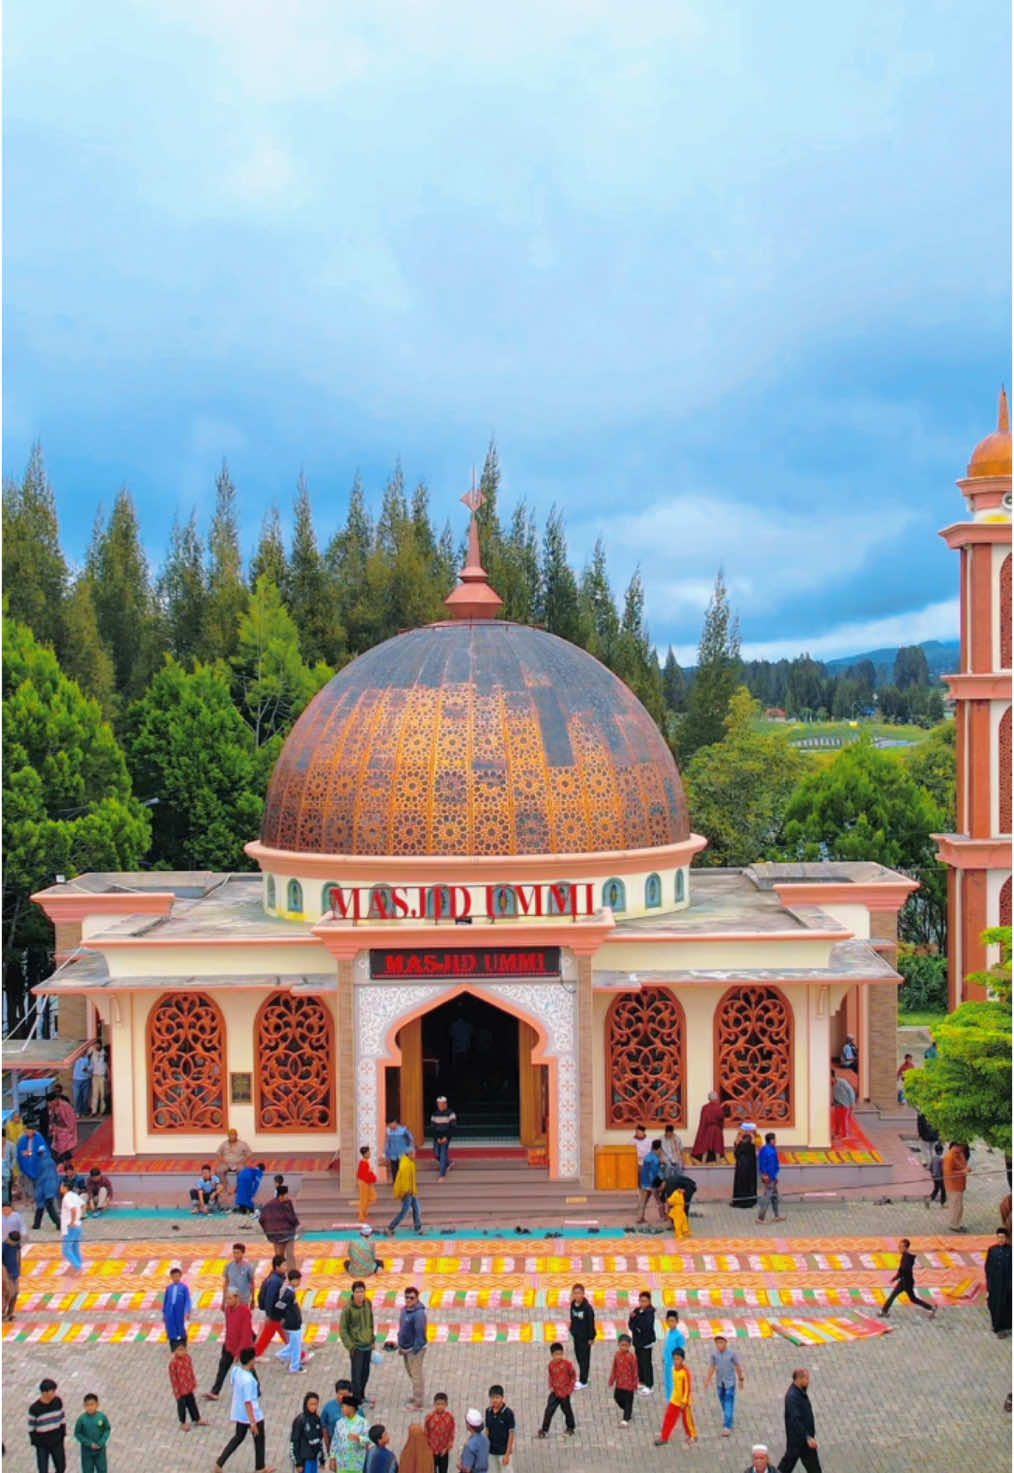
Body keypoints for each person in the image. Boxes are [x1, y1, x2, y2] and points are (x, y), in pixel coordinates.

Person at [215, 1346, 275, 1472]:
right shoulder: (249, 1380)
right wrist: (252, 1422)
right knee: (259, 1440)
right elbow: (248, 1402)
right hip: (253, 1414)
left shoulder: (236, 1371)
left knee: (238, 1437)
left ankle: (220, 1463)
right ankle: (260, 1467)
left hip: (239, 1413)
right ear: (251, 1360)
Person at [207, 1287, 256, 1399]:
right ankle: (215, 1391)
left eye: (229, 1298)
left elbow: (246, 1333)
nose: (227, 1301)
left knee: (249, 1369)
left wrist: (239, 1352)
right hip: (229, 1345)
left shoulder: (245, 1311)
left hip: (243, 1347)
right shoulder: (228, 1310)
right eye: (226, 1299)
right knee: (222, 1367)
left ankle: (256, 1389)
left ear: (237, 1297)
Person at [879, 1237, 936, 1320]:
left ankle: (884, 1311)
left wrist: (895, 1277)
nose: (899, 1248)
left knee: (904, 1297)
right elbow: (902, 1270)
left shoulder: (906, 1258)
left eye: (901, 1247)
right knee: (910, 1298)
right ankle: (931, 1308)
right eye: (899, 1246)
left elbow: (903, 1270)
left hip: (906, 1282)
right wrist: (897, 1277)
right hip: (905, 1281)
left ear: (906, 1248)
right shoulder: (907, 1256)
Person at [340, 1280, 376, 1409]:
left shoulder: (368, 1304)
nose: (360, 1294)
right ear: (353, 1293)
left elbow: (371, 1322)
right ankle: (356, 1401)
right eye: (357, 1292)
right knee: (356, 1375)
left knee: (365, 1373)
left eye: (362, 1291)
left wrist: (372, 1340)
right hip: (357, 1348)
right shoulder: (348, 1309)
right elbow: (343, 1330)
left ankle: (362, 1396)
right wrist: (350, 1346)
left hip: (367, 1345)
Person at [777, 1368, 822, 1473]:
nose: (808, 1381)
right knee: (787, 1465)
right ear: (799, 1379)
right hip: (798, 1440)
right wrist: (807, 1438)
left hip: (802, 1440)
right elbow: (795, 1420)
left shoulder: (800, 1392)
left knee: (812, 1467)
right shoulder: (792, 1397)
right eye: (806, 1378)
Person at [652, 1347, 697, 1447]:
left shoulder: (685, 1372)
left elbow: (687, 1388)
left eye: (678, 1359)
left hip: (684, 1401)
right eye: (675, 1359)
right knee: (669, 1417)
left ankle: (692, 1435)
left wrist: (684, 1401)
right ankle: (664, 1437)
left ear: (682, 1359)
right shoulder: (673, 1369)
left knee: (687, 1420)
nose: (676, 1361)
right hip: (675, 1398)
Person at [703, 1333, 744, 1437]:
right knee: (723, 1402)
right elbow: (712, 1367)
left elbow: (737, 1366)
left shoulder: (731, 1354)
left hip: (730, 1383)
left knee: (728, 1403)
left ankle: (727, 1426)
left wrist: (740, 1379)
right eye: (717, 1343)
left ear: (726, 1343)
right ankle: (728, 1418)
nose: (719, 1345)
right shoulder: (714, 1355)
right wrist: (708, 1379)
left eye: (721, 1342)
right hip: (720, 1383)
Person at [537, 1341, 577, 1438]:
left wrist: (570, 1388)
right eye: (556, 1355)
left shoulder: (567, 1364)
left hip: (564, 1393)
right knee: (549, 1411)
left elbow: (573, 1376)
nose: (558, 1356)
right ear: (552, 1355)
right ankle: (544, 1430)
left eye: (560, 1354)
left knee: (567, 1410)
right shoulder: (551, 1365)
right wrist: (551, 1386)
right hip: (555, 1392)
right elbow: (551, 1376)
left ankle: (570, 1427)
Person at [397, 1285, 428, 1410]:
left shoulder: (419, 1314)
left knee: (416, 1374)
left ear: (417, 1299)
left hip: (415, 1349)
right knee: (410, 1372)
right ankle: (416, 1395)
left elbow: (420, 1334)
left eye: (412, 1298)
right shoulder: (404, 1310)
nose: (409, 1300)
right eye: (407, 1298)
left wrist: (414, 1350)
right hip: (405, 1348)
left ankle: (418, 1402)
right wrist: (400, 1344)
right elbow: (402, 1329)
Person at [254, 1254, 290, 1357]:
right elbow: (269, 1299)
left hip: (275, 1314)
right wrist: (268, 1315)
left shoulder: (277, 1278)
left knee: (267, 1335)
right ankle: (300, 1355)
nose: (286, 1267)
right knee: (287, 1335)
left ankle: (256, 1354)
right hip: (275, 1314)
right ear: (277, 1267)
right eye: (284, 1265)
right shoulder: (275, 1281)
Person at [29, 1377, 67, 1473]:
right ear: (44, 1393)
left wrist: (61, 1435)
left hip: (56, 1441)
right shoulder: (35, 1408)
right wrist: (37, 1442)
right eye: (52, 1391)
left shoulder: (57, 1402)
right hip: (42, 1443)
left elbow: (62, 1419)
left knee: (61, 1466)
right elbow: (31, 1428)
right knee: (43, 1469)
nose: (54, 1393)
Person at [259, 1182, 300, 1269]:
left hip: (288, 1233)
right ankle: (277, 1272)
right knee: (279, 1256)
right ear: (281, 1196)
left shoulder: (288, 1202)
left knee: (290, 1254)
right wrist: (270, 1231)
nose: (287, 1197)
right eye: (286, 1195)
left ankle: (292, 1273)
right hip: (276, 1235)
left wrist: (294, 1225)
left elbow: (292, 1216)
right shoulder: (270, 1205)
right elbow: (263, 1219)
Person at [168, 1341, 207, 1431]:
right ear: (174, 1351)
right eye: (179, 1350)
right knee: (181, 1406)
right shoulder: (173, 1363)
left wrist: (193, 1382)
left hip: (188, 1387)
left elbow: (191, 1371)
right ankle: (183, 1422)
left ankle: (196, 1418)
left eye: (183, 1349)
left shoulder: (188, 1358)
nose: (182, 1352)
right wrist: (177, 1391)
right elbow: (173, 1379)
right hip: (180, 1389)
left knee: (192, 1403)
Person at [275, 1268, 306, 1373]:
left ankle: (281, 1355)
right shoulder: (289, 1294)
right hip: (293, 1324)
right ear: (292, 1281)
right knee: (296, 1347)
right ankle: (294, 1367)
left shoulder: (291, 1292)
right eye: (297, 1280)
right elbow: (279, 1306)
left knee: (294, 1344)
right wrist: (285, 1316)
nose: (298, 1283)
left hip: (293, 1323)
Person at [627, 1288, 657, 1393]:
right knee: (639, 1362)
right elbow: (631, 1322)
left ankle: (649, 1385)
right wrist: (634, 1326)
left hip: (646, 1342)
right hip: (637, 1341)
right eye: (641, 1301)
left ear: (649, 1302)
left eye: (645, 1301)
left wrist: (637, 1327)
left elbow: (646, 1326)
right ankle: (642, 1381)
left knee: (646, 1363)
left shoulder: (650, 1313)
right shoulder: (636, 1311)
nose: (642, 1303)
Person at [568, 1282, 597, 1389]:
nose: (577, 1295)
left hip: (585, 1338)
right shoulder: (573, 1305)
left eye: (579, 1293)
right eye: (575, 1293)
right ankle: (583, 1375)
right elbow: (572, 1318)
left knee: (585, 1359)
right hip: (576, 1336)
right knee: (579, 1357)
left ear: (583, 1294)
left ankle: (583, 1380)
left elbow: (591, 1323)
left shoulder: (587, 1309)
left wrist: (591, 1337)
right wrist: (572, 1330)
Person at [330, 1394, 369, 1473]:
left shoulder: (363, 1423)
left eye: (343, 1407)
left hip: (358, 1466)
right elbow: (335, 1442)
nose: (342, 1409)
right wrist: (332, 1458)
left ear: (351, 1408)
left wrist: (359, 1438)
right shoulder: (339, 1423)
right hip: (342, 1465)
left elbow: (369, 1440)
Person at [73, 1393, 111, 1473]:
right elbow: (77, 1433)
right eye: (87, 1405)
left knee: (102, 1469)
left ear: (97, 1405)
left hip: (100, 1450)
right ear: (84, 1406)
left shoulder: (102, 1417)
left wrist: (101, 1442)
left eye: (92, 1404)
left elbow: (107, 1430)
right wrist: (89, 1443)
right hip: (87, 1451)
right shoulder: (81, 1419)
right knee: (87, 1470)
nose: (90, 1407)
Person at [985, 1226, 1012, 1337]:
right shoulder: (992, 1250)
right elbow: (988, 1267)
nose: (1001, 1239)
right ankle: (997, 1325)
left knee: (1006, 1305)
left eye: (1003, 1237)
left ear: (1006, 1238)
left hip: (1007, 1284)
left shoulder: (1011, 1251)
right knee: (994, 1304)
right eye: (999, 1237)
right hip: (995, 1284)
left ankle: (1005, 1327)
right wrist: (989, 1282)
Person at [608, 1332, 639, 1427]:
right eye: (622, 1345)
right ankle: (627, 1410)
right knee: (617, 1398)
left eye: (626, 1345)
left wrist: (635, 1383)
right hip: (620, 1383)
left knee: (629, 1401)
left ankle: (625, 1419)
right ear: (618, 1345)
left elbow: (635, 1370)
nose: (623, 1347)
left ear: (629, 1346)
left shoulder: (632, 1357)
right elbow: (614, 1367)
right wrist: (612, 1379)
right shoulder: (617, 1355)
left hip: (629, 1385)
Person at [389, 1150, 422, 1235]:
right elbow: (403, 1180)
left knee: (417, 1209)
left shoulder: (410, 1163)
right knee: (404, 1212)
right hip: (407, 1192)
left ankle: (418, 1229)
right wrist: (405, 1191)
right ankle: (391, 1227)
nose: (415, 1155)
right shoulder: (405, 1165)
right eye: (414, 1153)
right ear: (409, 1154)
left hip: (411, 1191)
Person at [290, 1392, 324, 1473]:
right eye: (311, 1404)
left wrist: (321, 1459)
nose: (314, 1407)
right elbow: (294, 1442)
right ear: (306, 1404)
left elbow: (319, 1441)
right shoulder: (299, 1421)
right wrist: (298, 1463)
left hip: (314, 1459)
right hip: (304, 1461)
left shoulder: (317, 1419)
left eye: (316, 1404)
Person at [484, 1385, 515, 1471]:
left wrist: (507, 1454)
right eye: (492, 1398)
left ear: (502, 1398)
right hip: (491, 1452)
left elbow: (511, 1434)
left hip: (503, 1452)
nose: (495, 1400)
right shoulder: (488, 1411)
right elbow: (487, 1430)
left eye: (497, 1397)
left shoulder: (508, 1413)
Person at [216, 1128, 253, 1203]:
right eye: (230, 1135)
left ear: (236, 1136)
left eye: (233, 1135)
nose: (232, 1137)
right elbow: (218, 1153)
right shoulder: (224, 1143)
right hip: (227, 1163)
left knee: (242, 1171)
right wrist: (223, 1161)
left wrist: (243, 1161)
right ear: (228, 1136)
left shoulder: (242, 1144)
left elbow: (249, 1153)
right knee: (219, 1171)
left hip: (238, 1163)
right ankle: (226, 1187)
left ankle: (238, 1188)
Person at [757, 1132, 785, 1224]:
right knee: (767, 1197)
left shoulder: (763, 1149)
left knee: (775, 1196)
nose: (775, 1141)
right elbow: (769, 1165)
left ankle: (777, 1215)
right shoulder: (771, 1151)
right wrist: (768, 1176)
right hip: (769, 1177)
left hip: (770, 1176)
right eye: (774, 1139)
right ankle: (761, 1218)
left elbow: (761, 1163)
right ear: (771, 1140)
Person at [691, 1091, 726, 1163]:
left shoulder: (705, 1108)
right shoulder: (719, 1108)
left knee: (705, 1146)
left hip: (707, 1129)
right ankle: (718, 1163)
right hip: (717, 1129)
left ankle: (703, 1163)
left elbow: (703, 1120)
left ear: (709, 1098)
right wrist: (720, 1128)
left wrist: (701, 1131)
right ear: (716, 1098)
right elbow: (722, 1119)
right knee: (717, 1147)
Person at [943, 1142, 970, 1231]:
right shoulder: (949, 1157)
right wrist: (963, 1171)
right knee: (956, 1206)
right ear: (957, 1146)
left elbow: (963, 1165)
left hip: (960, 1184)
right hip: (953, 1185)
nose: (964, 1149)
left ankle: (957, 1223)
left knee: (959, 1207)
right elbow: (948, 1173)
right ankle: (954, 1225)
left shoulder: (960, 1154)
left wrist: (966, 1169)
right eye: (963, 1147)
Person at [47, 1087, 78, 1165]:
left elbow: (71, 1120)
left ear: (56, 1099)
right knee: (56, 1149)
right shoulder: (52, 1107)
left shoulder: (65, 1106)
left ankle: (66, 1164)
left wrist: (68, 1130)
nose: (50, 1104)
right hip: (57, 1131)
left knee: (65, 1150)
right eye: (49, 1103)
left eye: (51, 1102)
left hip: (66, 1130)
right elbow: (52, 1118)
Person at [424, 1393, 454, 1473]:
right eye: (438, 1404)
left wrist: (447, 1448)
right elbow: (426, 1433)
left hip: (444, 1451)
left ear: (446, 1405)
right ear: (434, 1404)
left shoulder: (450, 1417)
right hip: (432, 1451)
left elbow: (451, 1433)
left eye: (442, 1404)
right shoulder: (429, 1418)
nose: (440, 1406)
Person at [163, 1265, 192, 1348]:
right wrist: (164, 1313)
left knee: (181, 1327)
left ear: (180, 1276)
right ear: (171, 1277)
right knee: (171, 1327)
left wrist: (187, 1311)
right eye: (174, 1276)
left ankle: (183, 1344)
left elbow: (187, 1300)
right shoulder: (169, 1288)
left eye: (177, 1276)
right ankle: (173, 1345)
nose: (176, 1278)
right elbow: (166, 1301)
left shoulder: (183, 1288)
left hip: (180, 1311)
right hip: (170, 1312)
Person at [59, 1177, 84, 1273]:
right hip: (78, 1225)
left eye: (61, 1186)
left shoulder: (66, 1198)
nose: (60, 1188)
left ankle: (78, 1266)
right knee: (75, 1247)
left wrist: (73, 1221)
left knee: (66, 1250)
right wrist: (80, 1217)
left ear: (65, 1187)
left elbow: (73, 1209)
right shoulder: (74, 1195)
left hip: (71, 1227)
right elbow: (83, 1205)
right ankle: (79, 1264)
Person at [33, 1149, 62, 1230]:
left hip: (43, 1187)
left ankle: (57, 1222)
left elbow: (39, 1176)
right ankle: (37, 1224)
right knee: (48, 1206)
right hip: (51, 1187)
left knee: (43, 1206)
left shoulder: (40, 1162)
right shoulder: (51, 1161)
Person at [731, 1124, 758, 1209]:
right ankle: (740, 1200)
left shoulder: (748, 1140)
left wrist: (739, 1140)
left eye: (740, 1129)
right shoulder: (743, 1139)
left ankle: (745, 1201)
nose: (739, 1131)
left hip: (745, 1166)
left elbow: (739, 1151)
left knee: (745, 1183)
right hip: (742, 1165)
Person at [661, 1310, 687, 1399]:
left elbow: (681, 1351)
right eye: (669, 1321)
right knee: (668, 1384)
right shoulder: (669, 1332)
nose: (671, 1323)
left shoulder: (679, 1336)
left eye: (673, 1321)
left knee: (673, 1385)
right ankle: (670, 1403)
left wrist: (678, 1363)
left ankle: (674, 1403)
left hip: (674, 1364)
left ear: (677, 1321)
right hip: (667, 1363)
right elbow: (668, 1347)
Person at [635, 1138, 662, 1224]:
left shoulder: (647, 1157)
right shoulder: (655, 1159)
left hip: (644, 1183)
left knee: (643, 1201)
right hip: (652, 1184)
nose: (661, 1152)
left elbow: (643, 1170)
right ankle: (663, 1217)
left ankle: (640, 1218)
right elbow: (653, 1173)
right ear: (658, 1149)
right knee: (659, 1201)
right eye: (660, 1150)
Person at [430, 1097, 456, 1180]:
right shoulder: (434, 1114)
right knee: (437, 1154)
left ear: (445, 1104)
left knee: (442, 1154)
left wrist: (446, 1137)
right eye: (438, 1104)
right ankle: (449, 1163)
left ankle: (442, 1175)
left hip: (446, 1137)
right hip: (437, 1137)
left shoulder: (451, 1113)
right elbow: (432, 1128)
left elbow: (453, 1127)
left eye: (442, 1104)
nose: (440, 1105)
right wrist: (437, 1138)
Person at [224, 1241, 257, 1307]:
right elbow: (226, 1283)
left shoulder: (248, 1267)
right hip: (231, 1300)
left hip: (243, 1300)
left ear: (243, 1253)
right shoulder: (229, 1266)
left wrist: (253, 1299)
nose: (235, 1255)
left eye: (237, 1253)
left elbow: (252, 1283)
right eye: (234, 1253)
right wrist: (223, 1300)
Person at [3, 1227, 22, 1320]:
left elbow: (18, 1255)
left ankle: (10, 1313)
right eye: (13, 1242)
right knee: (8, 1294)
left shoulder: (16, 1245)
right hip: (7, 1274)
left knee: (15, 1293)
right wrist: (5, 1276)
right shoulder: (3, 1247)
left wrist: (19, 1268)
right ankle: (3, 1311)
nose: (14, 1244)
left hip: (15, 1273)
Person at [829, 1072, 855, 1140]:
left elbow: (850, 1090)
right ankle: (837, 1133)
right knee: (837, 1119)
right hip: (837, 1103)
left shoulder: (842, 1082)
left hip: (846, 1103)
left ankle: (846, 1135)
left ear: (832, 1077)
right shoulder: (831, 1084)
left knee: (844, 1119)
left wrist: (852, 1102)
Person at [357, 1146, 378, 1220]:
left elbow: (368, 1173)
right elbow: (363, 1175)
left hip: (367, 1183)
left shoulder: (366, 1162)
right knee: (364, 1199)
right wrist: (372, 1179)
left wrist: (372, 1179)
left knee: (372, 1197)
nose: (370, 1154)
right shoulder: (363, 1163)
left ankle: (364, 1211)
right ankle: (361, 1215)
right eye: (368, 1152)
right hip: (364, 1183)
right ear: (365, 1154)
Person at [89, 1046, 108, 1115]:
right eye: (96, 1045)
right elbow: (91, 1065)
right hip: (95, 1076)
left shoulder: (105, 1053)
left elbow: (107, 1065)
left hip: (102, 1076)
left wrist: (107, 1075)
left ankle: (102, 1110)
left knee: (102, 1094)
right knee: (95, 1094)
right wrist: (88, 1069)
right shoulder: (93, 1054)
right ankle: (93, 1111)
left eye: (98, 1044)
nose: (97, 1046)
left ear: (100, 1045)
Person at [72, 1052, 92, 1117]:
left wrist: (88, 1069)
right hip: (76, 1079)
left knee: (85, 1097)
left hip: (86, 1079)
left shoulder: (89, 1057)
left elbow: (92, 1066)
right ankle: (78, 1111)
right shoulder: (75, 1057)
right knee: (77, 1096)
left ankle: (84, 1111)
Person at [928, 1141, 946, 1206]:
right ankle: (943, 1203)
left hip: (934, 1177)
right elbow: (943, 1169)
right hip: (940, 1177)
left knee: (936, 1189)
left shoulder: (933, 1158)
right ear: (941, 1151)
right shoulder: (941, 1159)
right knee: (943, 1190)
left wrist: (932, 1174)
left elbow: (929, 1167)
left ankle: (929, 1199)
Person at [1, 1126, 15, 1206]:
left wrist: (11, 1167)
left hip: (7, 1170)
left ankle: (7, 1204)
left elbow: (14, 1157)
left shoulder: (11, 1145)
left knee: (7, 1189)